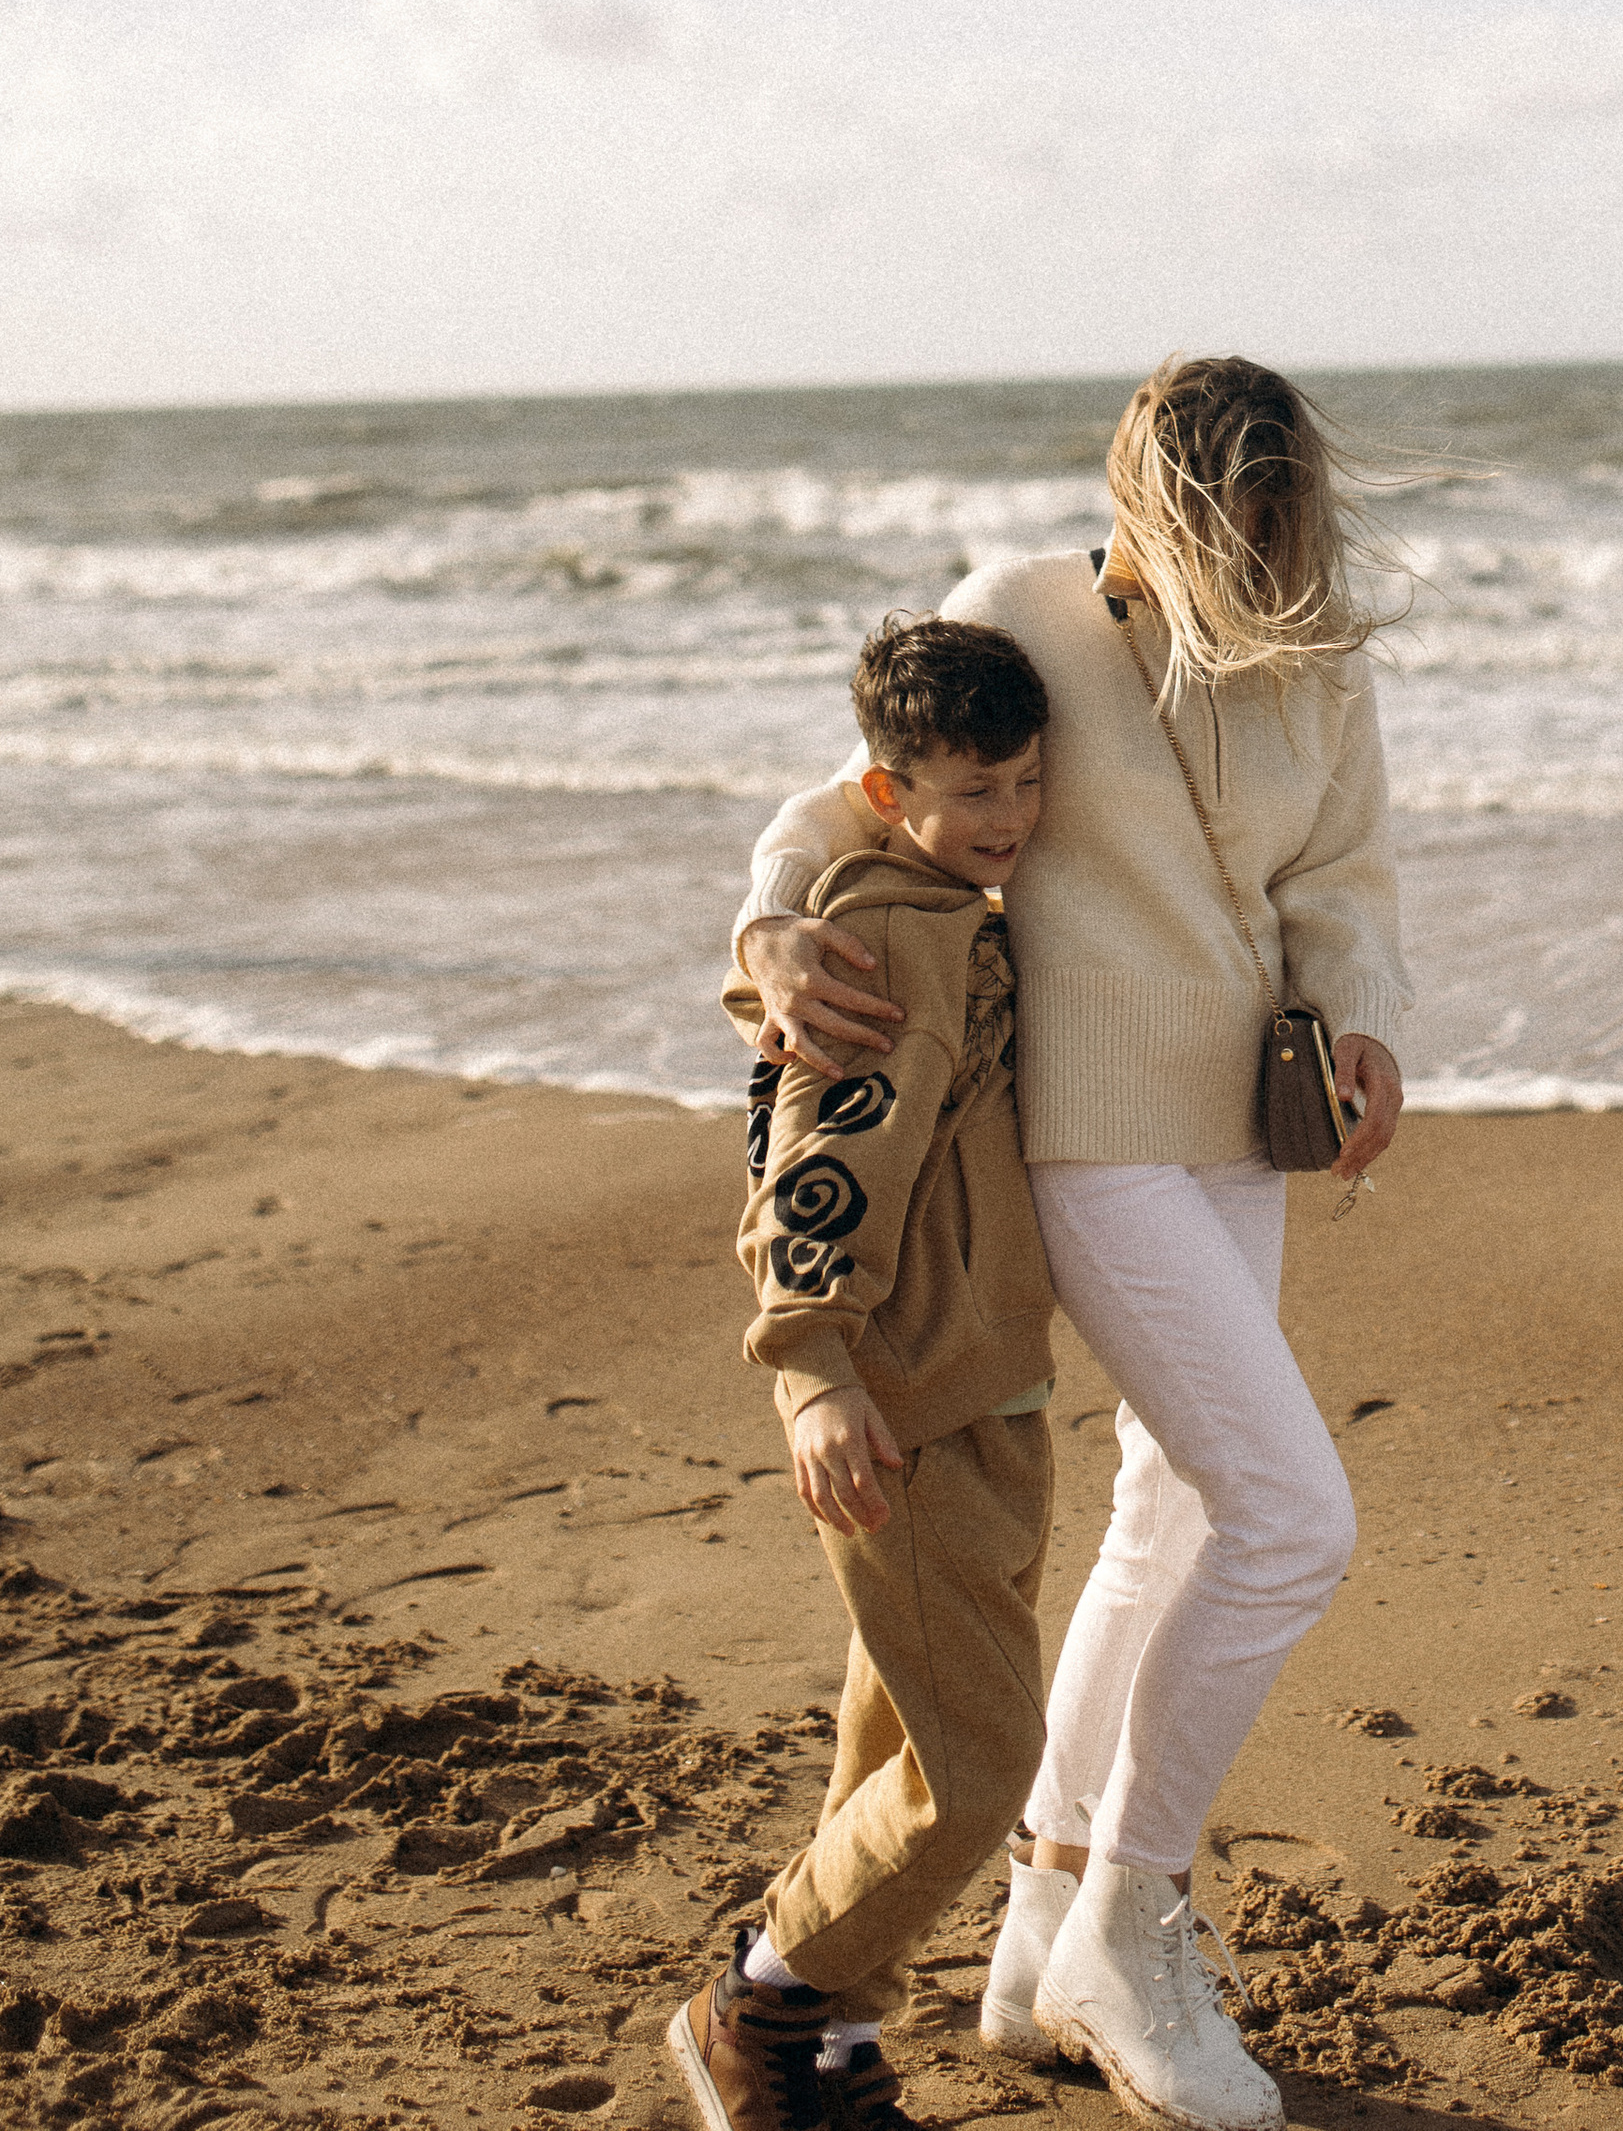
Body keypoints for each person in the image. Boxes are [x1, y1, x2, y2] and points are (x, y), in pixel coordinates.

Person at [737, 357, 1412, 2131]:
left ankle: (1040, 1931)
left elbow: (1342, 875)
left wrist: (1362, 1022)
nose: (1256, 559)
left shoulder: (1317, 648)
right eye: (1223, 525)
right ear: (1144, 500)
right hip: (1086, 1131)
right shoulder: (1021, 613)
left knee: (1175, 1505)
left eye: (1279, 523)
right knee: (1291, 1515)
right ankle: (1136, 1913)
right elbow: (849, 802)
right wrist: (768, 926)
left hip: (1243, 1121)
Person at [668, 613, 1059, 2131]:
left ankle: (829, 2046)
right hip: (896, 1413)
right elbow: (813, 1173)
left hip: (988, 1393)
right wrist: (813, 1371)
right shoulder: (894, 934)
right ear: (889, 796)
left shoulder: (960, 909)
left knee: (894, 1740)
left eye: (1023, 784)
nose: (1007, 819)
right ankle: (757, 2001)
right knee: (978, 1766)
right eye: (971, 795)